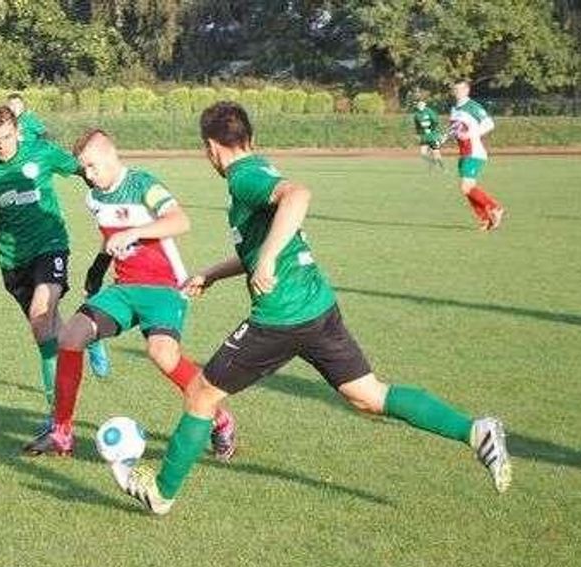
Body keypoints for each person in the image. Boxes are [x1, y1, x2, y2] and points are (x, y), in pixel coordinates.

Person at [118, 101, 512, 516]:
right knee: (368, 395)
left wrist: (268, 258)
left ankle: (161, 492)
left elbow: (298, 195)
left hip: (280, 317)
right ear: (249, 136)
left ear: (211, 148)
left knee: (200, 394)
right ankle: (476, 431)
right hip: (317, 306)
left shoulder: (243, 177)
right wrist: (215, 272)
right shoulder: (261, 166)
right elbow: (264, 240)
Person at [21, 129, 237, 465]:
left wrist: (135, 231)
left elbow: (180, 221)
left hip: (165, 287)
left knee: (162, 353)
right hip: (124, 288)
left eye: (93, 167)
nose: (88, 175)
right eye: (84, 169)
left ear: (111, 155)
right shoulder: (94, 198)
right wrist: (97, 267)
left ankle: (220, 418)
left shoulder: (143, 184)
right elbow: (111, 238)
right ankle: (61, 432)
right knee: (70, 336)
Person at [0, 106, 110, 438]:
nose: (2, 146)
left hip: (51, 245)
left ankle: (56, 417)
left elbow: (85, 171)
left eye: (8, 138)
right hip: (12, 262)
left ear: (18, 132)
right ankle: (90, 337)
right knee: (51, 330)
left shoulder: (41, 152)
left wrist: (111, 192)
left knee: (41, 317)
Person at [449, 81, 505, 231]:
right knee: (468, 188)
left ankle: (495, 208)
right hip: (464, 152)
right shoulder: (454, 109)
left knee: (466, 187)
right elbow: (456, 129)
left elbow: (489, 124)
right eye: (455, 89)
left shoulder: (473, 107)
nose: (457, 91)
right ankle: (485, 220)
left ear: (467, 90)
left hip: (474, 152)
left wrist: (470, 134)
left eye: (460, 89)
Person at [412, 98, 443, 169]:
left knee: (436, 154)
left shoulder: (429, 111)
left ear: (425, 104)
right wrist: (418, 134)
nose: (420, 105)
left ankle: (443, 168)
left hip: (432, 136)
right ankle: (433, 162)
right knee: (423, 154)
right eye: (418, 104)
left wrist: (433, 130)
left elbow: (435, 121)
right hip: (424, 137)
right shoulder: (416, 115)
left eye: (421, 104)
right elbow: (417, 126)